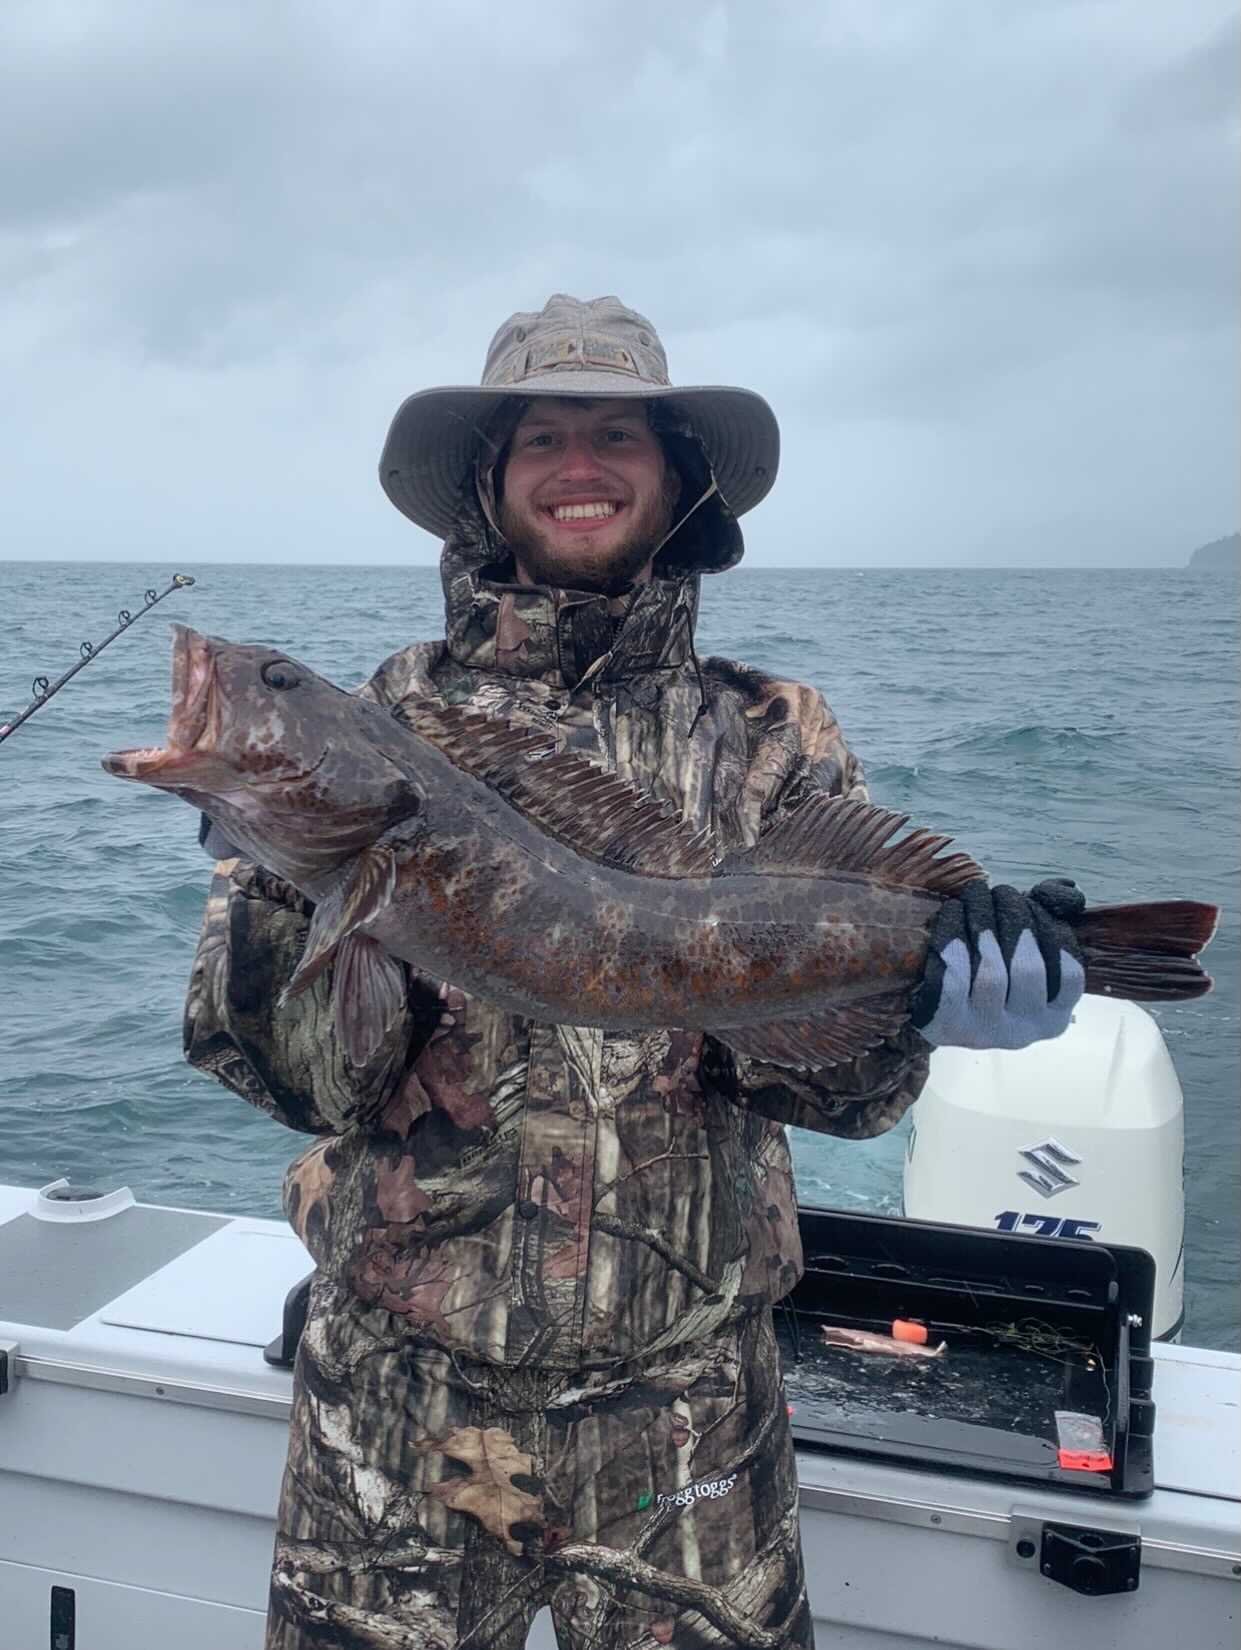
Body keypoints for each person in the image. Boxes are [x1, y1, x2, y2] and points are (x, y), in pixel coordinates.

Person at [185, 295, 1085, 1649]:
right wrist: (278, 874)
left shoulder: (775, 734)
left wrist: (922, 1002)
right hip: (397, 1396)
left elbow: (841, 1103)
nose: (579, 461)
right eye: (541, 433)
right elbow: (291, 1074)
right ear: (490, 484)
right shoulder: (384, 722)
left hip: (689, 1410)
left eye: (615, 431)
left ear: (676, 475)